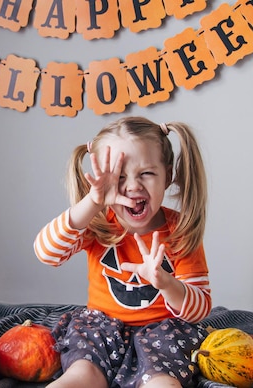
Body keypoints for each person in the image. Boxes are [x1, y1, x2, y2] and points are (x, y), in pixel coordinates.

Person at [34, 116, 212, 388]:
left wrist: (165, 283)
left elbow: (199, 309)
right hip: (101, 330)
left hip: (164, 335)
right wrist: (92, 203)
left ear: (168, 175)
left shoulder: (180, 229)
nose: (132, 186)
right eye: (119, 177)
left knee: (163, 384)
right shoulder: (99, 223)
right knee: (81, 376)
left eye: (146, 173)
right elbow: (46, 253)